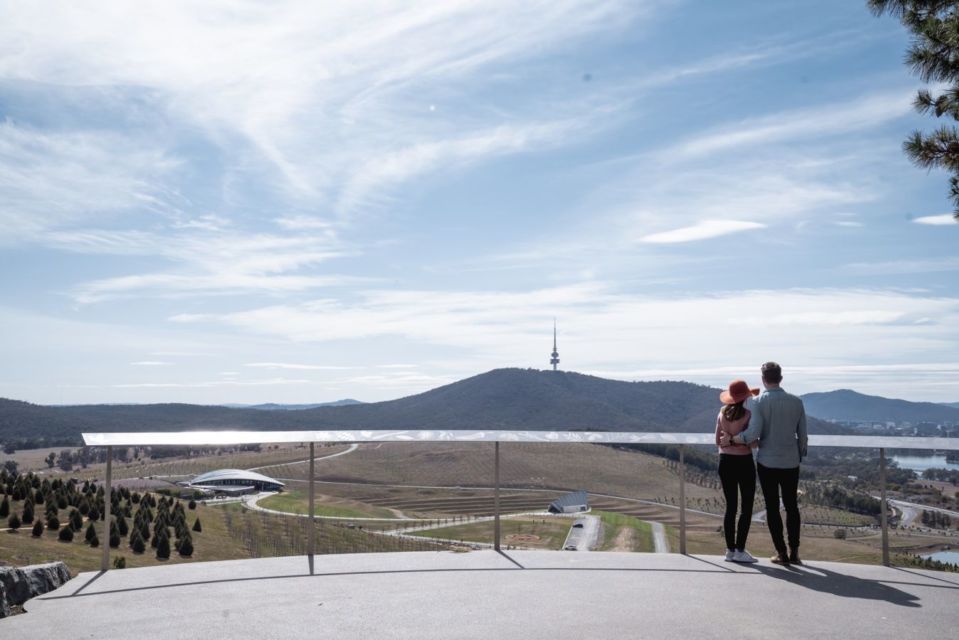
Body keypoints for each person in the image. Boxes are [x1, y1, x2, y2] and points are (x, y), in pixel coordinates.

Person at [721, 362, 808, 565]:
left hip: (767, 461)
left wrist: (733, 440)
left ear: (763, 379)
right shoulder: (797, 402)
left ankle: (781, 552)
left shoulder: (757, 402)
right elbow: (803, 436)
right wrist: (798, 455)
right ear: (781, 378)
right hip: (791, 461)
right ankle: (795, 552)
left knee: (772, 507)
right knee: (792, 507)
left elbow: (753, 433)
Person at [715, 379, 760, 563]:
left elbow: (718, 440)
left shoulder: (721, 414)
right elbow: (753, 442)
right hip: (744, 462)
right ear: (746, 397)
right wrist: (741, 440)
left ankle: (729, 550)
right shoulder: (749, 415)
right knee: (746, 507)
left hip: (725, 461)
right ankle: (740, 550)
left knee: (730, 508)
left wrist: (729, 439)